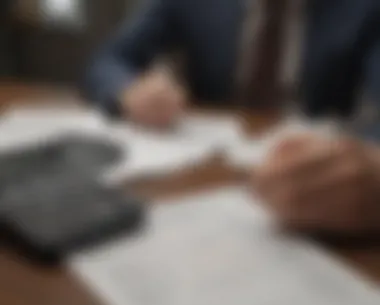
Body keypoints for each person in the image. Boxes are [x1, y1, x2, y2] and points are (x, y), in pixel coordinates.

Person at [83, 0, 380, 234]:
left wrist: (370, 163)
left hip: (314, 179)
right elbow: (110, 60)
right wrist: (128, 90)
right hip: (201, 172)